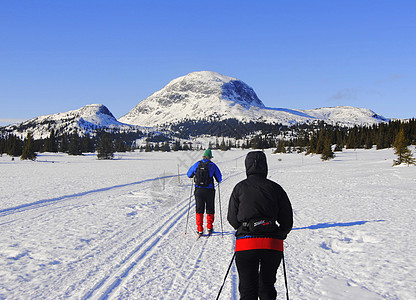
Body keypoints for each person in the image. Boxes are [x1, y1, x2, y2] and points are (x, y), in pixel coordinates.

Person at [227, 151, 293, 300]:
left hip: (246, 243)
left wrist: (244, 228)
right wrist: (281, 233)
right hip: (272, 244)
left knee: (247, 289)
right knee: (267, 286)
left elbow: (232, 218)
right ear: (265, 166)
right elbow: (287, 220)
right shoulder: (276, 188)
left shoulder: (239, 188)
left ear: (247, 166)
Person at [187, 149, 222, 235]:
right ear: (210, 157)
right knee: (210, 208)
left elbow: (189, 174)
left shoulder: (197, 164)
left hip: (198, 190)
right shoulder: (212, 165)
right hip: (209, 190)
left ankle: (199, 229)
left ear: (203, 156)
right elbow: (219, 178)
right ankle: (209, 227)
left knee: (199, 209)